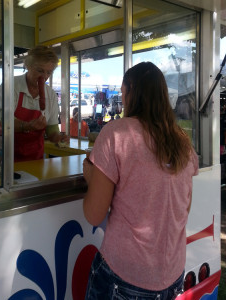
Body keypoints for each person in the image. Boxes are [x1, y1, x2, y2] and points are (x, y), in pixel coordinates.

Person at [82, 62, 199, 299]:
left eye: (123, 93)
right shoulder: (183, 142)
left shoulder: (116, 133)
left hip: (123, 277)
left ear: (130, 90)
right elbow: (183, 208)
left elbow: (94, 214)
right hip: (172, 277)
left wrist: (92, 176)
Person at [14, 45, 69, 162]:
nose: (44, 77)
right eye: (40, 71)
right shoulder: (11, 86)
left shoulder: (51, 94)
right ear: (28, 66)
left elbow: (51, 130)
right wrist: (27, 126)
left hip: (36, 160)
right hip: (7, 160)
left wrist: (58, 138)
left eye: (49, 72)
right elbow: (0, 124)